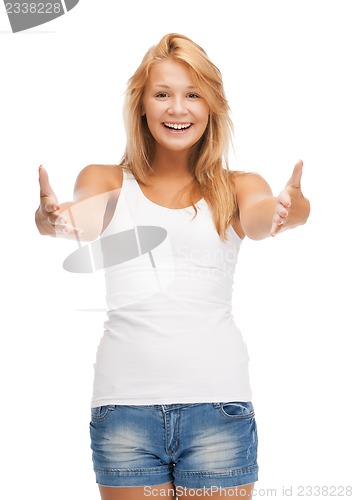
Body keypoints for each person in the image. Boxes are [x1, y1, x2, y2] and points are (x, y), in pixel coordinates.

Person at [35, 33, 310, 500]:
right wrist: (55, 220)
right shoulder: (105, 179)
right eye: (162, 94)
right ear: (141, 104)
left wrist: (289, 206)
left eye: (192, 94)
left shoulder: (238, 186)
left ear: (211, 106)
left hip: (217, 408)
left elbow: (266, 216)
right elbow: (80, 215)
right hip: (124, 411)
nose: (177, 109)